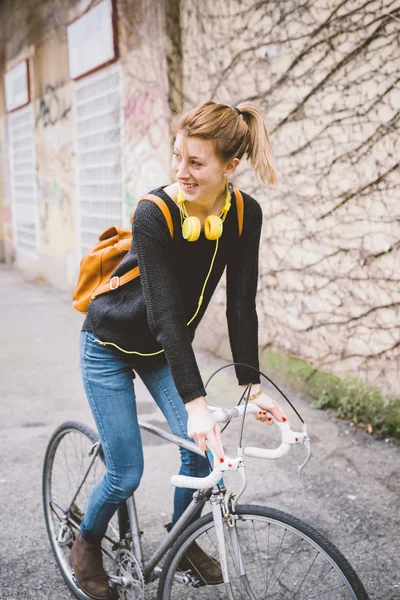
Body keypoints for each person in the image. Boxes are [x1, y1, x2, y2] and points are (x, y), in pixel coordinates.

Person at [70, 101, 289, 599]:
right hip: (108, 343)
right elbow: (164, 314)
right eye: (177, 158)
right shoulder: (154, 211)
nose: (181, 172)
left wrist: (251, 388)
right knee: (126, 469)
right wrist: (196, 406)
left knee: (199, 450)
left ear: (229, 167)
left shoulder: (243, 215)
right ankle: (86, 540)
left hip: (161, 352)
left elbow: (241, 305)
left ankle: (181, 538)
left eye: (196, 162)